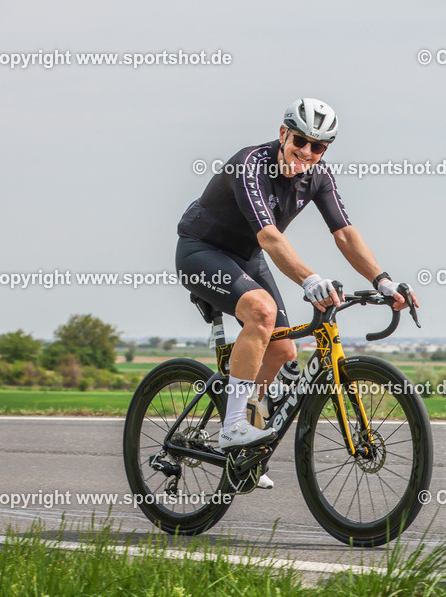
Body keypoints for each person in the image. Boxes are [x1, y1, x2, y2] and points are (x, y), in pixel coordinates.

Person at [176, 98, 418, 488]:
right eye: (300, 141)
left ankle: (245, 440)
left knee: (283, 350)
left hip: (247, 257)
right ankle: (233, 426)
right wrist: (309, 278)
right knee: (261, 312)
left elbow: (344, 233)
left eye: (318, 147)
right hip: (202, 250)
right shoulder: (252, 164)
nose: (306, 152)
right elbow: (270, 236)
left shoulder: (318, 176)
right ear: (283, 134)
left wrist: (382, 280)